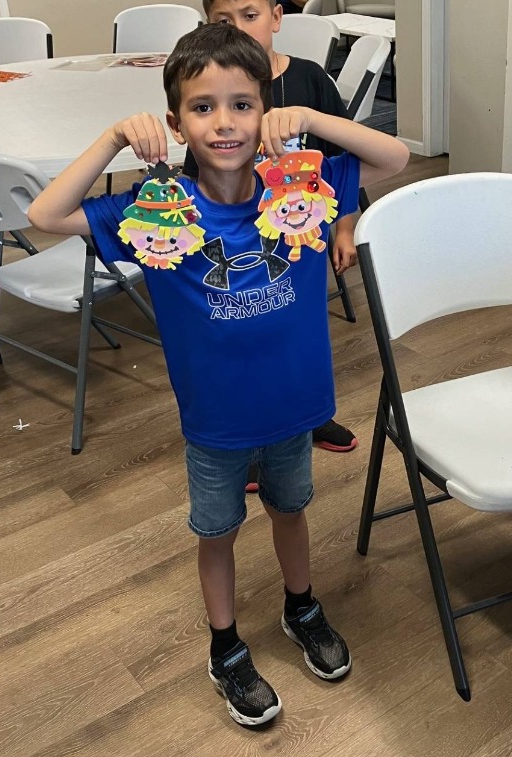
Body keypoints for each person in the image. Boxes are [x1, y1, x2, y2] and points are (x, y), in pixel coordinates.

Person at [28, 23, 409, 727]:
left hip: (295, 408)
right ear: (176, 123)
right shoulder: (153, 213)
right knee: (218, 532)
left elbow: (395, 155)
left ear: (264, 110)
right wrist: (114, 137)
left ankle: (302, 606)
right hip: (216, 424)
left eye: (242, 104)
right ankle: (226, 646)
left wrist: (315, 119)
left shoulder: (303, 187)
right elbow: (44, 214)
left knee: (291, 512)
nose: (224, 122)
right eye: (203, 107)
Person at [193, 0, 360, 485]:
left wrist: (344, 228)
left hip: (300, 241)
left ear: (276, 18)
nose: (240, 29)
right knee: (247, 346)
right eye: (224, 21)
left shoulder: (308, 79)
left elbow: (346, 157)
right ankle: (247, 443)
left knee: (297, 341)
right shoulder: (212, 89)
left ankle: (308, 419)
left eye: (250, 15)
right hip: (238, 250)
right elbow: (197, 178)